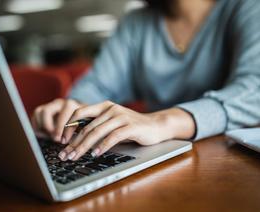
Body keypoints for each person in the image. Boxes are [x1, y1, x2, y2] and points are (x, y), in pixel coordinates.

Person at [32, 0, 260, 161]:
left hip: (226, 159)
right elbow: (98, 85)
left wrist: (161, 122)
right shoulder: (136, 23)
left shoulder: (246, 7)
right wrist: (75, 108)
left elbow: (254, 90)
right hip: (156, 159)